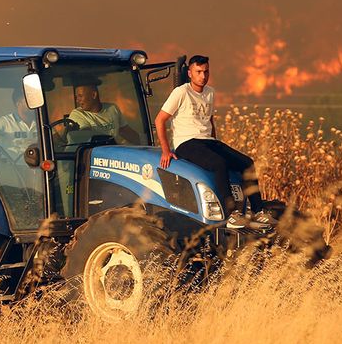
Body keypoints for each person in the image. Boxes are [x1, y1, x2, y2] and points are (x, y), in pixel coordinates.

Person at [155, 55, 273, 230]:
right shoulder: (181, 92)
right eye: (198, 72)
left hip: (207, 141)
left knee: (247, 163)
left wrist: (216, 143)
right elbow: (160, 120)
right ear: (190, 73)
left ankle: (259, 211)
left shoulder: (210, 92)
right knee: (219, 164)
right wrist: (166, 150)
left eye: (206, 71)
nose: (203, 76)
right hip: (186, 142)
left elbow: (209, 121)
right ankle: (232, 215)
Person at [57, 80, 139, 144]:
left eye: (80, 96)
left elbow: (125, 131)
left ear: (94, 95)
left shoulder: (112, 108)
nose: (77, 100)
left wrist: (145, 144)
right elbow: (87, 138)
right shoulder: (77, 115)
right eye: (76, 97)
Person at [0, 87, 38, 160]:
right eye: (28, 101)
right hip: (12, 168)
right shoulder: (6, 121)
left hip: (38, 167)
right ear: (18, 103)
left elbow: (55, 139)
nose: (33, 104)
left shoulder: (41, 122)